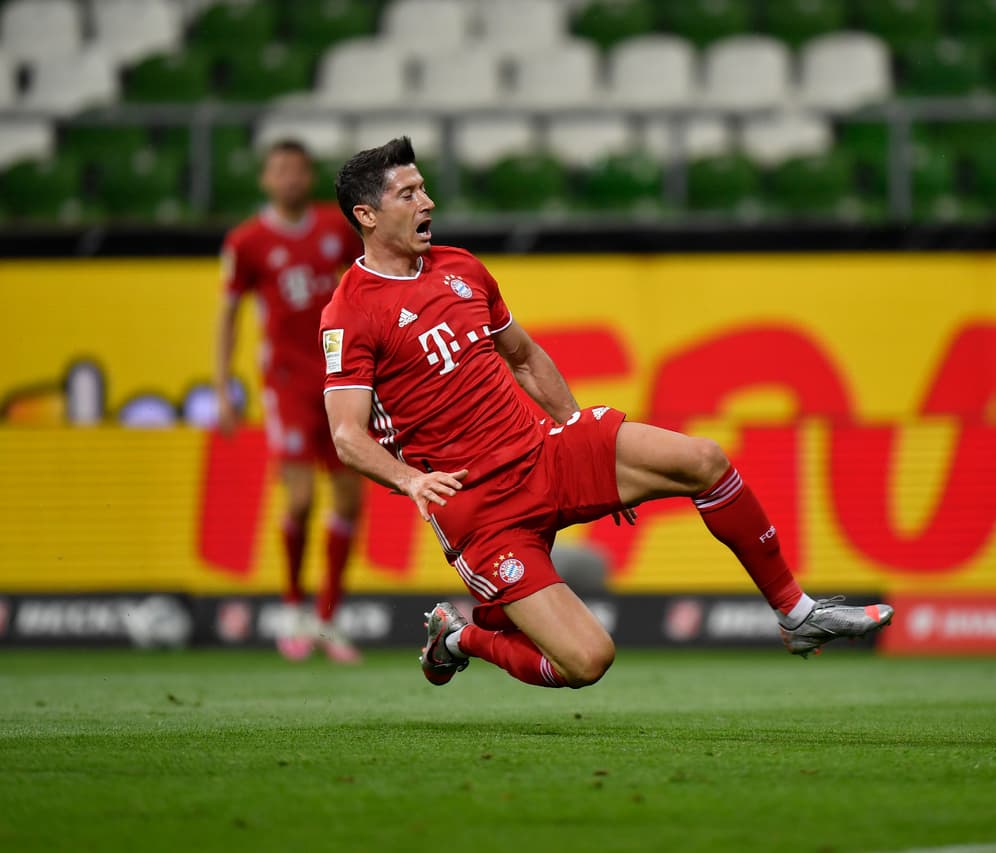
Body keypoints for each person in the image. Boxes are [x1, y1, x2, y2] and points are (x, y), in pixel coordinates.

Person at [322, 137, 894, 689]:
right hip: (480, 508)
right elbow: (347, 434)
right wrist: (409, 480)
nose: (427, 203)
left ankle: (796, 613)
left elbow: (524, 357)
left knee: (703, 459)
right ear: (366, 215)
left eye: (424, 189)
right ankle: (458, 637)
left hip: (544, 454)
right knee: (586, 661)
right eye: (408, 194)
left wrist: (577, 434)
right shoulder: (351, 312)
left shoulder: (461, 267)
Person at [216, 139, 366, 663]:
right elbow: (229, 314)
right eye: (280, 170)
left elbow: (366, 286)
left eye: (298, 170)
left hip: (342, 376)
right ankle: (293, 606)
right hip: (287, 383)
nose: (290, 179)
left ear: (309, 176)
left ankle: (328, 618)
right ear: (265, 179)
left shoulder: (335, 228)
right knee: (300, 500)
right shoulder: (247, 242)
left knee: (348, 499)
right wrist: (223, 386)